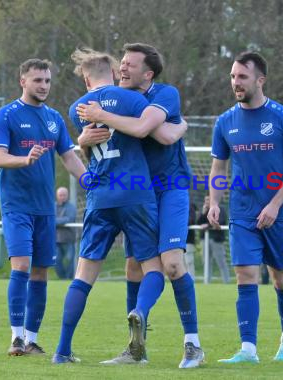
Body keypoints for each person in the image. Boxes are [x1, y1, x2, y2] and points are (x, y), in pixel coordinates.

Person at [75, 43, 204, 368]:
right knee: (134, 267)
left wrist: (173, 130)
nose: (122, 68)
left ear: (147, 73)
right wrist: (81, 141)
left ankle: (193, 345)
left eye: (130, 64)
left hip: (170, 188)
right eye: (121, 63)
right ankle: (136, 349)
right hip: (135, 193)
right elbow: (99, 145)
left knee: (172, 264)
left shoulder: (165, 93)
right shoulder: (117, 98)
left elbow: (149, 131)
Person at [53, 48, 170, 365]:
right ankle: (140, 312)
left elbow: (89, 143)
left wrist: (83, 141)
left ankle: (62, 350)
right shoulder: (133, 100)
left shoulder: (78, 107)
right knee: (153, 269)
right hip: (135, 192)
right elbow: (151, 131)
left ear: (87, 77)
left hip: (101, 195)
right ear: (113, 72)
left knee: (84, 274)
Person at [208, 51, 283, 363]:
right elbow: (218, 169)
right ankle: (248, 349)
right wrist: (215, 202)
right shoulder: (224, 122)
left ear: (260, 80)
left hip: (279, 213)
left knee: (281, 279)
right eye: (233, 76)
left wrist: (275, 205)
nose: (236, 82)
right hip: (243, 212)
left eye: (242, 77)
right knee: (246, 275)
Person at [0, 58, 86, 357]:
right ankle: (16, 338)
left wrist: (89, 180)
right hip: (16, 206)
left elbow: (68, 156)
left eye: (47, 80)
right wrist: (25, 159)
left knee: (41, 274)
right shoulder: (6, 115)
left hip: (45, 209)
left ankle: (31, 340)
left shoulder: (54, 118)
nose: (43, 86)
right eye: (37, 80)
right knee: (21, 267)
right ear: (23, 81)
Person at [197, 195, 230, 284]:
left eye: (208, 199)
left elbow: (221, 221)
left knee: (221, 261)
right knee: (206, 261)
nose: (207, 201)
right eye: (206, 200)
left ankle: (226, 282)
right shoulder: (204, 210)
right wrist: (203, 213)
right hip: (204, 239)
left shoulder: (221, 209)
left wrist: (207, 225)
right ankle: (207, 281)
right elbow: (198, 222)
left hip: (216, 240)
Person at [55, 187, 77, 280]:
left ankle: (69, 279)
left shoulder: (71, 207)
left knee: (70, 261)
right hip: (55, 239)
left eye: (64, 195)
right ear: (57, 196)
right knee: (56, 260)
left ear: (67, 195)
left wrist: (55, 221)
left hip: (68, 238)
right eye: (60, 195)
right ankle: (62, 279)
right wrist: (59, 221)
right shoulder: (53, 206)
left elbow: (69, 218)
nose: (62, 197)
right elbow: (49, 218)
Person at [185, 197, 198, 279]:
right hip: (178, 240)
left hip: (188, 240)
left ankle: (191, 279)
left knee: (189, 261)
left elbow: (191, 220)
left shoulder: (190, 207)